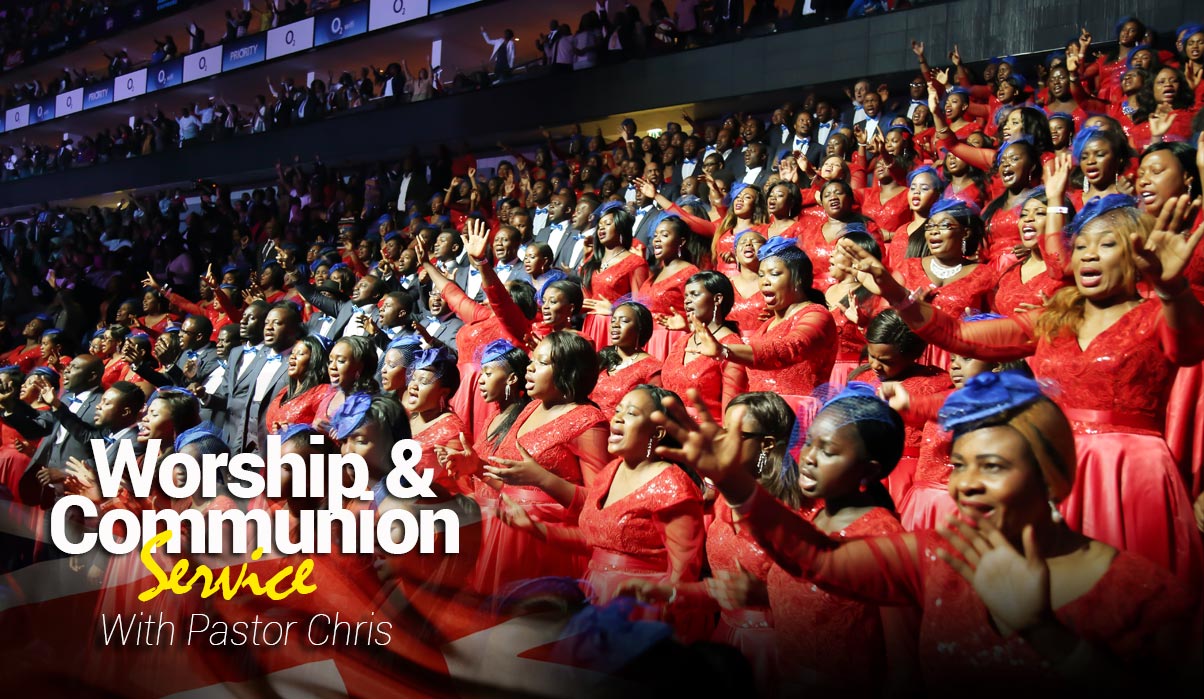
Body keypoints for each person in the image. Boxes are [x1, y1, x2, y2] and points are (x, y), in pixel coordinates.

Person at [660, 370, 1199, 692]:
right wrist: (735, 482)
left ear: (1052, 475)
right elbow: (819, 561)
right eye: (959, 466)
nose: (966, 485)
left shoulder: (1144, 596)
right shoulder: (935, 557)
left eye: (992, 467)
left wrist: (1045, 634)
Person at [840, 195, 1204, 586]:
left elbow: (1189, 348)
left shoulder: (1158, 312)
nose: (1089, 255)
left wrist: (1173, 288)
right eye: (1081, 245)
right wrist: (892, 289)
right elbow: (958, 335)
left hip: (1130, 474)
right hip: (1053, 463)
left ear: (1137, 254)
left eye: (1106, 244)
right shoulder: (1053, 319)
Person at [621, 391, 800, 692]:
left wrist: (769, 596)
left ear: (767, 444)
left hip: (775, 653)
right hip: (724, 640)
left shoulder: (796, 511)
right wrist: (668, 591)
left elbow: (826, 604)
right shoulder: (724, 500)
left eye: (733, 434)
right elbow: (724, 588)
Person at [499, 384, 705, 637]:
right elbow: (593, 541)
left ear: (658, 432)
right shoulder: (610, 472)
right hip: (596, 592)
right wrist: (536, 528)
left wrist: (664, 616)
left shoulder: (673, 485)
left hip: (640, 608)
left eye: (631, 413)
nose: (617, 418)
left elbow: (684, 571)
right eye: (617, 410)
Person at [470, 331, 609, 596]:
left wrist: (542, 479)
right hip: (507, 531)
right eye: (532, 360)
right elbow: (512, 487)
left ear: (568, 371)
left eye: (542, 362)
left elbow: (598, 505)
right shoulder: (530, 408)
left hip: (548, 541)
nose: (530, 368)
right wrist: (475, 467)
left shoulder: (588, 420)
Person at [689, 238, 835, 421]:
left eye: (774, 274)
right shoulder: (766, 326)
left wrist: (724, 350)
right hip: (762, 417)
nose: (765, 281)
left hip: (798, 417)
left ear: (798, 278)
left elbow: (789, 348)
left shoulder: (817, 315)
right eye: (761, 275)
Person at [658, 271, 746, 421]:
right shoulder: (681, 342)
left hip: (707, 431)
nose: (687, 301)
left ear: (717, 299)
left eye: (694, 294)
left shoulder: (731, 347)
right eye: (686, 296)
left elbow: (732, 408)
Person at [580, 203, 651, 350]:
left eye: (607, 224)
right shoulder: (592, 261)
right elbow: (585, 298)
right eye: (599, 226)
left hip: (615, 327)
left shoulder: (635, 263)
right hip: (591, 324)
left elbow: (641, 308)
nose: (601, 228)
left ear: (620, 227)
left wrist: (614, 309)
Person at [402, 348, 467, 498]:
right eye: (413, 378)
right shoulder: (408, 416)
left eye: (424, 381)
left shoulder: (452, 431)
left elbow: (461, 485)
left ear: (443, 392)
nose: (413, 385)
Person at [637, 214, 702, 359]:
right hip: (648, 341)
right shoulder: (654, 275)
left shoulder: (690, 273)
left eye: (664, 235)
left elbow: (702, 314)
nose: (657, 239)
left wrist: (686, 325)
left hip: (672, 341)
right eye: (655, 236)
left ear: (681, 242)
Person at [591, 302, 662, 418]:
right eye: (613, 320)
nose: (615, 325)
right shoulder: (602, 358)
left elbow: (653, 411)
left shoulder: (652, 368)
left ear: (640, 328)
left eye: (624, 321)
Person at [264, 335, 330, 435]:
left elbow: (323, 440)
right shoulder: (284, 392)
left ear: (314, 360)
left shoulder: (322, 393)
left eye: (300, 354)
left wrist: (297, 433)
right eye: (292, 353)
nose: (292, 357)